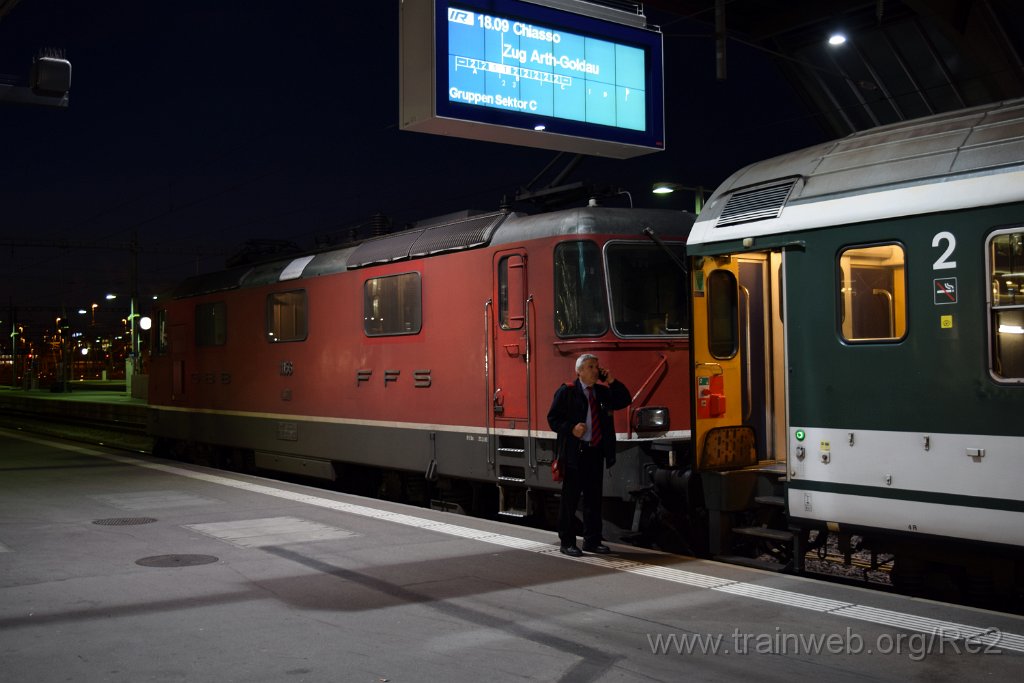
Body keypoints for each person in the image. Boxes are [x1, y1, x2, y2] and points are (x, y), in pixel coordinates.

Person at [547, 353, 632, 557]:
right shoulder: (567, 392)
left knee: (594, 500)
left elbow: (624, 399)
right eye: (591, 367)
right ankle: (567, 542)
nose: (596, 370)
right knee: (571, 499)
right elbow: (553, 419)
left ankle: (592, 541)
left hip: (595, 452)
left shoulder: (602, 393)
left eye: (597, 367)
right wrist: (571, 429)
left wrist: (611, 380)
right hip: (576, 454)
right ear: (580, 371)